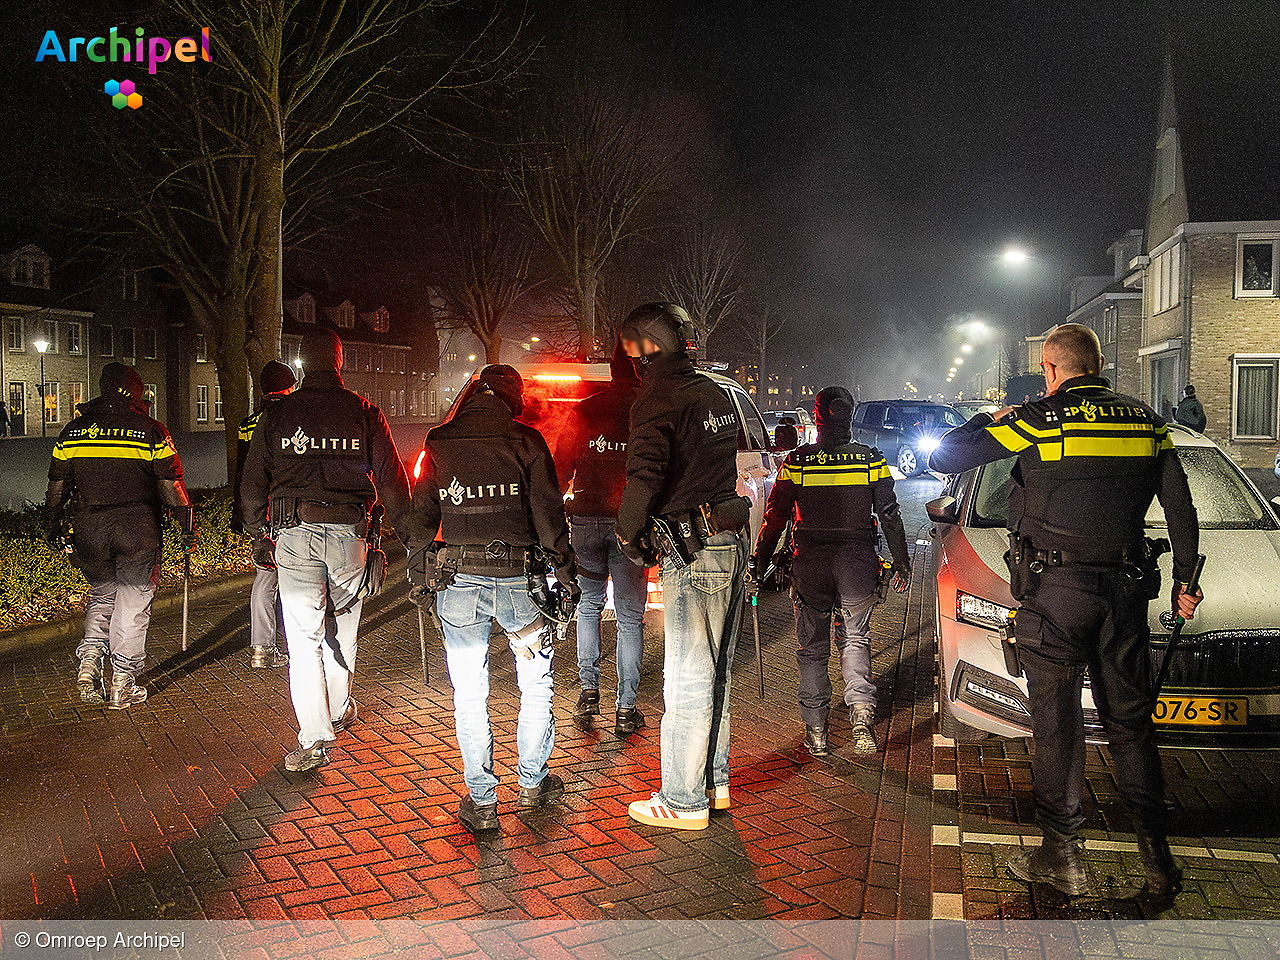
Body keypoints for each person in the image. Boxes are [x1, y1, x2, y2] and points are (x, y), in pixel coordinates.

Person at [929, 323, 1202, 902]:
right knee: (1130, 726)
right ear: (1098, 364)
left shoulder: (1042, 419)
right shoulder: (1149, 423)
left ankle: (1063, 858)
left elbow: (949, 454)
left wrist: (994, 418)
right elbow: (1181, 507)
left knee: (1058, 724)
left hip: (1056, 594)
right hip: (1125, 594)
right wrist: (1185, 580)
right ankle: (1158, 860)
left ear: (1052, 369)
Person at [406, 364, 579, 833]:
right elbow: (548, 515)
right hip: (521, 583)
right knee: (536, 684)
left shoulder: (440, 441)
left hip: (459, 582)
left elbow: (421, 516)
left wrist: (419, 573)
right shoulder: (526, 441)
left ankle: (481, 801)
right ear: (513, 398)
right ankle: (532, 781)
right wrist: (566, 573)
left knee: (469, 693)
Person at [239, 330, 412, 773]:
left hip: (294, 534)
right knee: (344, 629)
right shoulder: (364, 411)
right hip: (351, 534)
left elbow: (252, 482)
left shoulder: (279, 414)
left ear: (301, 363)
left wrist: (260, 533)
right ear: (340, 361)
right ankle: (337, 708)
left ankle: (316, 736)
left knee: (303, 638)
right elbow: (393, 480)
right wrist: (416, 537)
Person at [614, 303, 750, 832]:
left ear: (647, 347)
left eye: (631, 348)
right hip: (727, 541)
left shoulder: (656, 400)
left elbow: (645, 476)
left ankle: (682, 797)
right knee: (716, 674)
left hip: (692, 554)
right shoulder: (716, 392)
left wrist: (628, 533)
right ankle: (712, 785)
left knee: (687, 678)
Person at [751, 385, 911, 758]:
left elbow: (774, 518)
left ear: (818, 417)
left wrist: (759, 563)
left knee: (812, 648)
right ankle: (860, 720)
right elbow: (889, 513)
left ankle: (818, 731)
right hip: (857, 562)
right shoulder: (871, 459)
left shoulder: (798, 462)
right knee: (856, 638)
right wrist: (901, 560)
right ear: (850, 416)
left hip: (810, 563)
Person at [43, 362, 195, 709]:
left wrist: (50, 524)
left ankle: (88, 668)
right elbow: (171, 486)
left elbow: (57, 486)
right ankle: (122, 682)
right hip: (136, 529)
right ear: (137, 393)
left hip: (89, 530)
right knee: (132, 603)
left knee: (102, 597)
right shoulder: (151, 430)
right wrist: (188, 528)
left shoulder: (73, 431)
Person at [556, 342, 648, 737]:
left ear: (610, 371)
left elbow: (561, 465)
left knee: (589, 606)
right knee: (629, 618)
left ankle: (588, 692)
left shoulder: (586, 409)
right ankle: (626, 707)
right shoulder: (647, 410)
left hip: (586, 520)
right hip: (629, 525)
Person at [231, 360, 297, 669]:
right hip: (291, 507)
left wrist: (243, 514)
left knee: (265, 575)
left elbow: (243, 473)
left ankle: (261, 646)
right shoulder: (295, 417)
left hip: (260, 509)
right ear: (290, 387)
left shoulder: (248, 423)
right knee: (299, 577)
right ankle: (301, 642)